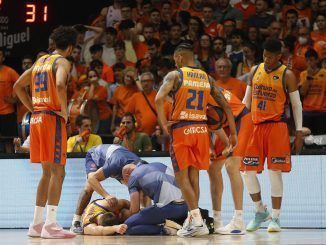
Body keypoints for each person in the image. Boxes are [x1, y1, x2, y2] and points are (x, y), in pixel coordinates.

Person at [155, 43, 237, 237]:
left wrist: (164, 123)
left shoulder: (175, 75)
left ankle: (197, 220)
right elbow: (225, 105)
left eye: (175, 59)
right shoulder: (206, 77)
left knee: (181, 178)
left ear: (180, 57)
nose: (175, 63)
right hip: (201, 130)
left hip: (182, 129)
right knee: (194, 176)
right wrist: (232, 132)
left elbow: (159, 98)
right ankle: (192, 221)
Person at [13, 26, 77, 239]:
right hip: (51, 118)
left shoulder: (40, 62)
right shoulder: (62, 62)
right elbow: (59, 84)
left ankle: (37, 224)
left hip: (37, 118)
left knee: (47, 173)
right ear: (70, 47)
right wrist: (64, 111)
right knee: (59, 172)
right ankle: (51, 224)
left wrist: (33, 109)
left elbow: (17, 86)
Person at [241, 38, 303, 232]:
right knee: (246, 171)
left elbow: (296, 105)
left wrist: (299, 131)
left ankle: (275, 217)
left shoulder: (288, 75)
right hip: (255, 126)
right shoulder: (254, 70)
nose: (266, 59)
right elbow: (246, 101)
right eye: (264, 55)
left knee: (274, 172)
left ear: (279, 56)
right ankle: (260, 211)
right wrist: (238, 124)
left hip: (276, 127)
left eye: (270, 56)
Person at [207, 88, 254, 235]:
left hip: (240, 119)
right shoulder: (196, 91)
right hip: (224, 124)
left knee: (231, 165)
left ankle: (238, 221)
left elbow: (214, 121)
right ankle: (217, 220)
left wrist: (228, 144)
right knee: (212, 167)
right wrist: (210, 147)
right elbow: (207, 123)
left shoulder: (199, 93)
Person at [70, 144, 142, 234]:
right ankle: (76, 220)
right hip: (95, 156)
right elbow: (91, 179)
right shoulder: (115, 165)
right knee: (90, 187)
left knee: (135, 196)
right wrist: (106, 195)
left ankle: (140, 216)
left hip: (120, 159)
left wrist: (142, 211)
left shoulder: (140, 166)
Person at [122, 161, 188, 235]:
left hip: (169, 209)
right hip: (185, 207)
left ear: (126, 175)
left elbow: (134, 210)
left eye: (124, 181)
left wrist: (130, 218)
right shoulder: (159, 164)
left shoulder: (133, 177)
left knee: (126, 227)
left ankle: (165, 230)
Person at [299, 48, 326, 135]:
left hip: (322, 112)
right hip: (307, 112)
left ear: (317, 60)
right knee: (307, 141)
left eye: (311, 60)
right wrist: (309, 77)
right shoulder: (303, 74)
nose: (309, 62)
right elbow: (303, 92)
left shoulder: (325, 73)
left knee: (321, 140)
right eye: (307, 60)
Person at [0, 49, 19, 153]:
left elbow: (21, 85)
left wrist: (15, 99)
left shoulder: (9, 71)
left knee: (8, 141)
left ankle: (11, 165)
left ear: (3, 58)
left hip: (7, 113)